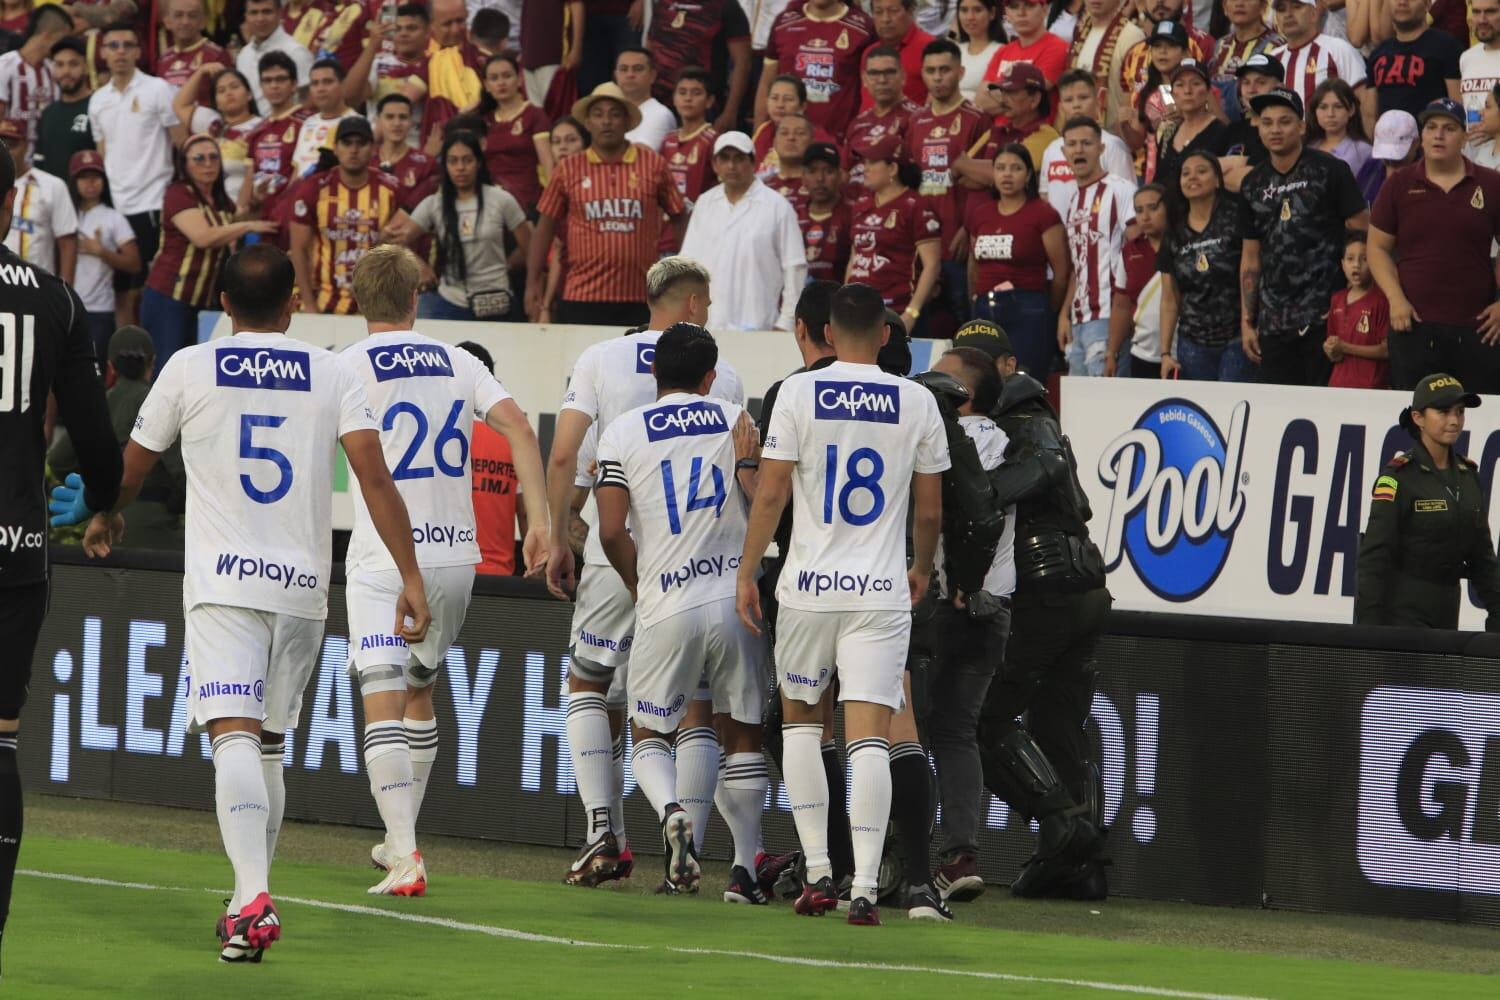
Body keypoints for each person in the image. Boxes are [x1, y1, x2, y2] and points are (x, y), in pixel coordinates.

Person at [55, 244, 431, 963]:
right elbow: (375, 482)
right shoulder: (333, 369)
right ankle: (244, 904)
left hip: (226, 583)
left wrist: (105, 512)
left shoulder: (191, 365)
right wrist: (409, 577)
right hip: (302, 590)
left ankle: (252, 893)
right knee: (268, 744)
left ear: (221, 304)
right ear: (295, 301)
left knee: (232, 732)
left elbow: (129, 468)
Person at [735, 281, 949, 926]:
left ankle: (819, 872)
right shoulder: (917, 400)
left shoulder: (799, 391)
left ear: (827, 333)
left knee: (803, 725)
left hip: (806, 588)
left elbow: (771, 495)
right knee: (870, 742)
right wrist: (918, 567)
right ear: (885, 334)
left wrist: (749, 571)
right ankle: (864, 884)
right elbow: (931, 508)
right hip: (879, 592)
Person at [341, 245, 546, 897]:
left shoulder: (343, 366)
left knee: (381, 699)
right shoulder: (458, 360)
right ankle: (401, 840)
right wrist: (538, 519)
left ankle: (405, 853)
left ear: (357, 301)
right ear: (416, 297)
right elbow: (520, 430)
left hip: (386, 558)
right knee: (420, 689)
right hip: (459, 559)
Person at [544, 257, 745, 887]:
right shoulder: (726, 375)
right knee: (696, 708)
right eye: (706, 304)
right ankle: (691, 855)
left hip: (618, 553)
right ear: (689, 306)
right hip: (701, 567)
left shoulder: (600, 357)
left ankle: (604, 832)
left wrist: (555, 536)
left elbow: (563, 454)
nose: (707, 314)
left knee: (588, 684)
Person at [594, 322, 770, 901]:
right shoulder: (735, 419)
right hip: (734, 598)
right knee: (740, 732)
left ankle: (672, 811)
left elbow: (612, 529)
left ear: (653, 373)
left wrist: (639, 583)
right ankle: (744, 869)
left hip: (666, 600)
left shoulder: (621, 432)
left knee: (649, 731)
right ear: (710, 377)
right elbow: (763, 499)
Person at [0, 135, 120, 974]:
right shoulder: (54, 299)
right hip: (16, 548)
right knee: (0, 743)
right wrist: (103, 500)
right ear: (15, 202)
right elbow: (96, 442)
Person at [960, 327, 1110, 901]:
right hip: (1082, 587)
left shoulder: (1022, 406)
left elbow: (1045, 464)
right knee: (1056, 724)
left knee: (984, 721)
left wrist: (982, 493)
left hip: (1047, 589)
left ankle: (1062, 827)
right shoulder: (1004, 418)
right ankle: (1083, 862)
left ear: (1007, 364)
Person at [912, 338, 1015, 911]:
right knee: (958, 733)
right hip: (994, 606)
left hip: (938, 601)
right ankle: (961, 855)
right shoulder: (1008, 441)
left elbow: (935, 513)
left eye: (941, 374)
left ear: (962, 391)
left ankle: (900, 857)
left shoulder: (939, 435)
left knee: (903, 732)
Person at [1369, 98, 1500, 392]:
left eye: (1449, 128)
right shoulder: (1398, 185)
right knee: (1415, 421)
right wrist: (1395, 298)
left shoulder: (1491, 184)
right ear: (1421, 137)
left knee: (1475, 420)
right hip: (1413, 325)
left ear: (1464, 137)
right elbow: (1376, 248)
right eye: (1431, 127)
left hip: (1477, 328)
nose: (1439, 135)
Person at [1240, 86, 1368, 385]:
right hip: (1274, 322)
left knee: (1325, 409)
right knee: (1275, 410)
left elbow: (1362, 233)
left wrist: (1355, 300)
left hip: (1326, 316)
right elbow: (1250, 259)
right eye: (1267, 122)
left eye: (1284, 121)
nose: (1275, 129)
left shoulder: (1331, 170)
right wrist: (1248, 321)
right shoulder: (1252, 184)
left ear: (1301, 126)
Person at [527, 83, 684, 326]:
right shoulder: (567, 169)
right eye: (598, 114)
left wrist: (683, 274)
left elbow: (679, 215)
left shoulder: (653, 164)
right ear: (588, 122)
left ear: (627, 121)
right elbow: (544, 227)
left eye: (615, 114)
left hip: (641, 297)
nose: (606, 121)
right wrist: (532, 282)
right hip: (582, 297)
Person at [1355, 373, 1500, 630]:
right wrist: (1367, 633)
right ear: (1418, 418)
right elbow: (1374, 557)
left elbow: (1482, 557)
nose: (1454, 421)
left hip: (1447, 610)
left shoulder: (1469, 476)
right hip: (1403, 612)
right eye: (1444, 412)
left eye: (1460, 411)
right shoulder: (1398, 477)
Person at [143, 134, 278, 364]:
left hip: (200, 300)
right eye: (199, 159)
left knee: (193, 369)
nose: (208, 164)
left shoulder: (218, 197)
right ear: (184, 164)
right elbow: (203, 237)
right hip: (170, 296)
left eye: (214, 158)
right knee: (169, 366)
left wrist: (256, 201)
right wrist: (246, 225)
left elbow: (235, 219)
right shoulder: (179, 193)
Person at [48, 325, 184, 551]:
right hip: (159, 531)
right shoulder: (162, 403)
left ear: (110, 366)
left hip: (105, 532)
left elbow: (58, 461)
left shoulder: (97, 405)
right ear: (152, 363)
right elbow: (182, 472)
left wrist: (95, 490)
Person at [89, 21, 184, 325]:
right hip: (117, 207)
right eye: (113, 45)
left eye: (127, 45)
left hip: (153, 203)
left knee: (150, 288)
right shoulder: (97, 100)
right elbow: (102, 154)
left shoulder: (158, 89)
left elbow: (180, 142)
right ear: (103, 52)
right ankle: (124, 365)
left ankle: (153, 361)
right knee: (121, 292)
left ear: (138, 52)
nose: (120, 52)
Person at [393, 130, 532, 321]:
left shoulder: (501, 199)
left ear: (479, 163)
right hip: (450, 298)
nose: (460, 167)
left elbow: (531, 247)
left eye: (467, 160)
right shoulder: (435, 203)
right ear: (445, 165)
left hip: (496, 297)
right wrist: (420, 267)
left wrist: (509, 266)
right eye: (453, 161)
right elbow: (395, 241)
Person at [680, 131, 806, 331]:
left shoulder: (777, 206)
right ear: (715, 164)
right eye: (725, 159)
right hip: (707, 325)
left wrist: (786, 322)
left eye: (739, 158)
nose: (731, 166)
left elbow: (794, 268)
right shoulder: (705, 203)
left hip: (759, 325)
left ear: (753, 163)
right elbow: (687, 265)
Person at [905, 39, 989, 331]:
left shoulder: (977, 119)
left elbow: (985, 184)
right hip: (922, 244)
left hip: (957, 242)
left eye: (945, 69)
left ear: (961, 72)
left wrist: (970, 227)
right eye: (930, 71)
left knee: (961, 328)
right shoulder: (914, 122)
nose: (938, 77)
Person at [966, 142, 1069, 378]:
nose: (1007, 174)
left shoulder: (1043, 213)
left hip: (1029, 308)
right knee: (983, 379)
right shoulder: (981, 214)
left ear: (1029, 175)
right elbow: (973, 264)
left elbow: (1061, 272)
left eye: (1016, 168)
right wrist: (975, 298)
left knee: (1023, 381)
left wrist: (1045, 309)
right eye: (1000, 168)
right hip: (984, 307)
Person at [291, 116, 410, 315]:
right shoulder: (313, 188)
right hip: (322, 302)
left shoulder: (391, 189)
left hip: (376, 304)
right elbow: (299, 249)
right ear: (335, 148)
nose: (354, 150)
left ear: (373, 149)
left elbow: (403, 244)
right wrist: (310, 305)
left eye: (361, 143)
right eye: (347, 143)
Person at [1155, 153, 1255, 380]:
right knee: (1200, 414)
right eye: (1186, 173)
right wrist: (1165, 352)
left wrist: (1250, 325)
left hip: (1237, 338)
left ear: (1218, 180)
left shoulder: (1236, 218)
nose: (1193, 177)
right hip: (1193, 344)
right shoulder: (1174, 232)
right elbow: (1170, 298)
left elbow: (1252, 272)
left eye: (1201, 171)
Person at [1059, 116, 1136, 376]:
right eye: (1072, 144)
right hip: (1079, 319)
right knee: (1079, 407)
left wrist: (1128, 314)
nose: (1079, 149)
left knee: (1105, 404)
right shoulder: (1074, 201)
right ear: (1063, 151)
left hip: (1108, 316)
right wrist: (1064, 314)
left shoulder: (1121, 190)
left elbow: (1139, 251)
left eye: (1086, 143)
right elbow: (1078, 264)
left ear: (1101, 148)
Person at [846, 151, 942, 324]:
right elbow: (855, 256)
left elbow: (932, 265)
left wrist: (911, 313)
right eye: (864, 163)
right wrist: (843, 300)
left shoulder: (916, 206)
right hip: (856, 308)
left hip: (895, 309)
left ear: (892, 169)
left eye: (872, 162)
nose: (864, 168)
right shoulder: (861, 204)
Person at [758, 0, 877, 137]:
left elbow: (872, 90)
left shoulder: (864, 28)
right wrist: (758, 135)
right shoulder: (782, 23)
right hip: (788, 139)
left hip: (840, 140)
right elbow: (766, 84)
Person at [459, 341, 525, 577]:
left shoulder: (442, 435)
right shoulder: (512, 436)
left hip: (448, 568)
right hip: (499, 575)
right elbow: (525, 511)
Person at [67, 148, 137, 356]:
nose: (91, 183)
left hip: (100, 308)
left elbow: (134, 263)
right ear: (74, 181)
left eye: (96, 176)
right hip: (65, 304)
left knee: (93, 369)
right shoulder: (65, 213)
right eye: (84, 177)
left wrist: (102, 252)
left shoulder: (114, 218)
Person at [1037, 69, 1134, 215]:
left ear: (1097, 100)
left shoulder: (1112, 145)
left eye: (1083, 97)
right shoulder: (1052, 149)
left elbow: (1127, 198)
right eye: (1069, 100)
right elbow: (1045, 196)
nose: (1076, 105)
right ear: (1061, 106)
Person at [645, 0, 751, 132]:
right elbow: (649, 51)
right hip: (659, 103)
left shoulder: (725, 6)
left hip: (703, 107)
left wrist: (730, 112)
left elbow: (742, 62)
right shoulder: (662, 4)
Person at [1363, 0, 1463, 134]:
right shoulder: (1377, 53)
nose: (1403, 2)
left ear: (1427, 5)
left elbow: (1457, 104)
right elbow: (1369, 114)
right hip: (1386, 149)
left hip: (1431, 147)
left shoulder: (1447, 47)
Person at [239, 52, 309, 240]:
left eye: (281, 79)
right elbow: (248, 180)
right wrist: (241, 216)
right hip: (262, 223)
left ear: (294, 84)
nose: (274, 86)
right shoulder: (256, 131)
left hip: (295, 222)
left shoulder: (308, 124)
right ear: (261, 87)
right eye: (267, 81)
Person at [172, 66, 265, 205]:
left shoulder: (263, 127)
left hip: (246, 206)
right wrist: (201, 71)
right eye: (221, 91)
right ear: (216, 103)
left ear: (249, 94)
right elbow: (179, 104)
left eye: (234, 87)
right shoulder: (212, 123)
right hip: (212, 207)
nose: (229, 93)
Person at [0, 117, 75, 280]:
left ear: (26, 146)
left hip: (38, 287)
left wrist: (67, 293)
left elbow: (67, 242)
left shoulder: (53, 185)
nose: (7, 152)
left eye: (12, 146)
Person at [477, 52, 552, 214]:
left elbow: (548, 165)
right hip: (491, 206)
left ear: (519, 80)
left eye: (507, 76)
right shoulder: (483, 120)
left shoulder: (535, 115)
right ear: (486, 86)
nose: (501, 83)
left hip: (528, 204)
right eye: (494, 78)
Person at [1106, 183, 1167, 377]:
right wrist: (1112, 352)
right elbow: (1121, 306)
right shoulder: (1129, 251)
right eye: (1139, 211)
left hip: (1181, 351)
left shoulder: (1183, 245)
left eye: (1153, 208)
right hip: (1143, 352)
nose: (1145, 216)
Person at [963, 62, 1058, 182]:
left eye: (1012, 92)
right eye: (1002, 92)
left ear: (1034, 99)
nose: (1003, 99)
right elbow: (962, 176)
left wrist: (970, 169)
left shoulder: (1047, 136)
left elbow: (1009, 177)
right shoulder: (995, 131)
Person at [1268, 0, 1366, 114]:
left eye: (1296, 7)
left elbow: (1363, 101)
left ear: (1314, 13)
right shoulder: (1272, 59)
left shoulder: (1339, 50)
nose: (1288, 14)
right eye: (1281, 10)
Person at [1146, 58, 1229, 190]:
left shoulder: (1221, 132)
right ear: (1173, 94)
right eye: (1180, 85)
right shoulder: (1168, 132)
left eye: (1195, 84)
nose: (1188, 91)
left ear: (1208, 91)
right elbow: (1159, 180)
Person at [844, 49, 919, 195]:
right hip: (858, 208)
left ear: (903, 76)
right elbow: (845, 171)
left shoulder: (918, 119)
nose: (882, 80)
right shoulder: (857, 123)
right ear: (864, 79)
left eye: (890, 72)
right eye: (874, 73)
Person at [343, 3, 431, 126]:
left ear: (428, 33)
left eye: (411, 28)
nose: (404, 33)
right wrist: (372, 46)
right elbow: (349, 97)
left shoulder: (435, 65)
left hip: (419, 142)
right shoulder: (379, 63)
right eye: (398, 29)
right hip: (378, 141)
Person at [1066, 0, 1146, 130]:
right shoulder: (1080, 32)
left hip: (1116, 137)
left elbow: (1135, 92)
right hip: (1080, 136)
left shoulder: (1132, 35)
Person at [980, 0, 1069, 116]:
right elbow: (980, 102)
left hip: (1035, 131)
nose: (1021, 13)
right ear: (1006, 12)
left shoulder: (1057, 47)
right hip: (999, 131)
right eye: (1014, 7)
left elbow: (1029, 98)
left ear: (1045, 9)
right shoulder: (1002, 51)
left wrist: (995, 96)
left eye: (1029, 5)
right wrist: (1015, 97)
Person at [1324, 232, 1390, 388]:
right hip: (1338, 385)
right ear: (1342, 264)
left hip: (1370, 388)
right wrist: (1330, 349)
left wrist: (1345, 347)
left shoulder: (1382, 300)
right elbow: (1334, 349)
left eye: (1364, 259)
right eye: (1350, 259)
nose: (1356, 265)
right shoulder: (1337, 299)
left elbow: (1387, 351)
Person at [0, 4, 68, 145]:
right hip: (9, 158)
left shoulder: (52, 70)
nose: (63, 46)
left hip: (42, 157)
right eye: (61, 38)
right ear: (47, 35)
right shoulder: (4, 66)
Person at [661, 66, 719, 227]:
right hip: (666, 231)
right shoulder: (667, 141)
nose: (688, 98)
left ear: (709, 101)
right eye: (682, 92)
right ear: (673, 98)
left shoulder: (713, 141)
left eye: (696, 93)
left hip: (699, 229)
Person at [1207, 0, 1281, 124]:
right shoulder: (1220, 45)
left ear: (1263, 6)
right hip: (1218, 132)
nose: (1240, 3)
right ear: (1224, 7)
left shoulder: (1277, 46)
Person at [32, 36, 93, 180]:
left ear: (86, 67)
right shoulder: (48, 113)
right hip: (53, 199)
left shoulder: (99, 106)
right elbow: (39, 163)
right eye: (59, 65)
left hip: (89, 199)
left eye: (73, 64)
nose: (66, 71)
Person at [237, 0, 313, 106]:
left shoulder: (296, 52)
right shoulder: (244, 55)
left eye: (267, 12)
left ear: (280, 13)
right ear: (246, 16)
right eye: (254, 13)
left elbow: (308, 103)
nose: (260, 18)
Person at [291, 59, 358, 177]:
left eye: (327, 82)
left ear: (343, 85)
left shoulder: (356, 122)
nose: (320, 89)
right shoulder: (308, 123)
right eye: (315, 83)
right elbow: (298, 170)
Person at [865, 0, 935, 109]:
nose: (885, 19)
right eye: (878, 12)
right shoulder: (868, 53)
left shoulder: (930, 49)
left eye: (893, 11)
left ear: (910, 11)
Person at [521, 0, 585, 115]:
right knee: (535, 115)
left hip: (553, 54)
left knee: (555, 113)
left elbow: (576, 6)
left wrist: (576, 48)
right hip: (529, 55)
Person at [799, 141, 851, 282]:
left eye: (828, 171)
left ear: (840, 175)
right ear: (803, 177)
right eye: (812, 171)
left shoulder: (853, 216)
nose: (820, 179)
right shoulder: (792, 217)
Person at [156, 0, 227, 99]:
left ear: (203, 22)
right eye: (178, 15)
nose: (185, 22)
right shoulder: (163, 60)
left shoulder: (216, 55)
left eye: (192, 16)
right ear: (167, 21)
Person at [374, 93, 438, 202]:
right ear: (378, 121)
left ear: (411, 122)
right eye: (390, 117)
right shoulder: (365, 158)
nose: (397, 123)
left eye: (403, 117)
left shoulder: (427, 164)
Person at [1306, 78, 1372, 181]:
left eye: (1338, 106)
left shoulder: (1363, 151)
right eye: (1323, 107)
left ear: (1351, 110)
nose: (1330, 114)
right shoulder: (1307, 149)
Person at [614, 47, 674, 151]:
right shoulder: (612, 113)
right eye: (624, 69)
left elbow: (641, 158)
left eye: (638, 69)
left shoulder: (660, 114)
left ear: (652, 76)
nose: (630, 75)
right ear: (616, 75)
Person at [1360, 107, 1419, 203]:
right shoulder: (1370, 167)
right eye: (1386, 160)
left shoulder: (1428, 173)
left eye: (1399, 161)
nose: (1391, 171)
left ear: (1416, 143)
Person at [1462, 0, 1500, 145]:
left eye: (1490, 12)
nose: (1482, 20)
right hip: (1471, 159)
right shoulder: (1467, 57)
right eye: (1476, 12)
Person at [956, 0, 1005, 102]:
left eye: (977, 10)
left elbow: (1002, 98)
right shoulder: (954, 50)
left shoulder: (1002, 51)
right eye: (964, 10)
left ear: (992, 13)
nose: (970, 17)